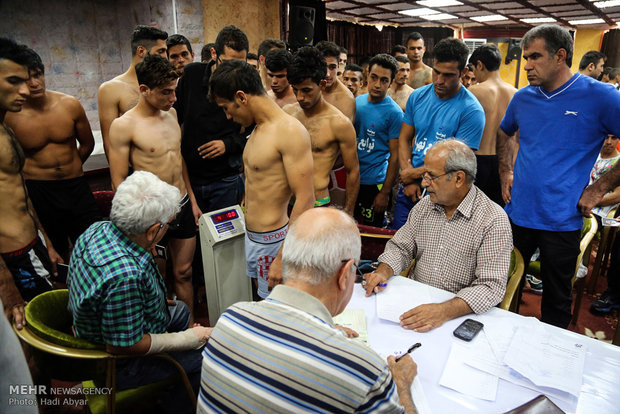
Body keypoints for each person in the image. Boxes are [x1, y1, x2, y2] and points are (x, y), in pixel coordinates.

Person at [197, 207, 418, 414]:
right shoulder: (364, 371)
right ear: (343, 276)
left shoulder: (229, 320)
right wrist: (401, 386)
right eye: (355, 270)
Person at [497, 24, 620, 328]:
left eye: (535, 57)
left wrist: (598, 189)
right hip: (518, 213)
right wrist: (505, 171)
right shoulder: (523, 98)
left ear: (560, 56)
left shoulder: (601, 97)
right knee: (499, 288)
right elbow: (505, 133)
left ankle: (550, 367)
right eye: (526, 57)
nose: (527, 65)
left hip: (561, 220)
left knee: (555, 302)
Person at [67, 171, 212, 413]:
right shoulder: (126, 276)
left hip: (105, 324)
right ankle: (175, 405)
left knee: (183, 310)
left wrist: (149, 299)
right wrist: (186, 340)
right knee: (207, 357)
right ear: (152, 231)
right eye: (168, 224)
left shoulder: (98, 228)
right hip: (117, 364)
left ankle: (175, 378)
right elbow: (123, 347)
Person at [365, 140, 512, 331]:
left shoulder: (492, 220)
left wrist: (443, 311)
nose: (424, 183)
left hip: (458, 316)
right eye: (424, 175)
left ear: (459, 179)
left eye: (431, 176)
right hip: (416, 304)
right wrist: (382, 271)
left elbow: (489, 287)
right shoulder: (426, 205)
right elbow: (400, 247)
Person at [209, 59, 315, 299]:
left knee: (279, 311)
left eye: (227, 107)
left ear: (241, 97)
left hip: (276, 243)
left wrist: (282, 256)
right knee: (262, 301)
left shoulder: (289, 131)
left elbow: (306, 199)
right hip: (255, 238)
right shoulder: (256, 129)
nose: (227, 116)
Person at [108, 55, 200, 323]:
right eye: (166, 92)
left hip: (181, 202)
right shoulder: (124, 126)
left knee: (184, 272)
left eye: (175, 90)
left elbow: (178, 158)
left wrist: (192, 200)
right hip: (151, 213)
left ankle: (190, 333)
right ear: (144, 90)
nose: (173, 98)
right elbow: (119, 182)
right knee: (155, 277)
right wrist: (136, 230)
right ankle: (160, 335)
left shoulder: (171, 114)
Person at [5, 47, 101, 259]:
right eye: (26, 78)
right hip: (40, 191)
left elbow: (87, 144)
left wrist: (71, 168)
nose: (34, 83)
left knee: (95, 245)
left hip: (76, 186)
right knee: (56, 254)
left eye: (38, 74)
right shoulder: (11, 116)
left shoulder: (69, 105)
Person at [0, 38, 61, 329]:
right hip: (9, 259)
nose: (25, 89)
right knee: (29, 342)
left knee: (46, 332)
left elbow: (20, 194)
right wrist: (7, 287)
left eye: (26, 80)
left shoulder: (4, 126)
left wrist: (45, 241)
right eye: (13, 81)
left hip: (29, 244)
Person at [392, 37, 485, 229]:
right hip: (411, 189)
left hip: (445, 196)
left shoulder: (471, 110)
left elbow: (459, 163)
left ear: (464, 72)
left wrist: (413, 174)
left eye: (449, 75)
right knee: (399, 245)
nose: (440, 80)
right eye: (436, 72)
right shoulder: (417, 97)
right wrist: (407, 178)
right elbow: (404, 138)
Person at [174, 25, 248, 214]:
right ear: (214, 54)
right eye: (229, 63)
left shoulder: (245, 83)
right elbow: (174, 118)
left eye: (240, 65)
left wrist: (228, 144)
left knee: (224, 240)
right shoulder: (191, 75)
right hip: (190, 178)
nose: (234, 71)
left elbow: (253, 132)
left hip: (225, 179)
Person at [284, 46, 360, 215]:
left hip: (318, 203)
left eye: (306, 90)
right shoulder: (288, 113)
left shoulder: (339, 123)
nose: (300, 97)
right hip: (287, 201)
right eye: (295, 90)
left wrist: (349, 211)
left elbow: (353, 170)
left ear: (322, 84)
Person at [98, 25, 168, 157]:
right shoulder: (111, 89)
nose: (165, 57)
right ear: (141, 51)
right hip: (134, 168)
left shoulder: (162, 87)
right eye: (160, 51)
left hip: (164, 164)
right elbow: (110, 144)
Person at [355, 54, 403, 227]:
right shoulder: (356, 103)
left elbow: (395, 157)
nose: (377, 84)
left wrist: (385, 193)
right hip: (352, 179)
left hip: (375, 183)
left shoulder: (395, 113)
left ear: (390, 83)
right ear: (367, 75)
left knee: (371, 233)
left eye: (384, 80)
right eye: (374, 77)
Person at [467, 43, 516, 206]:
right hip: (505, 163)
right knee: (498, 212)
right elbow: (519, 138)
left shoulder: (473, 92)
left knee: (473, 212)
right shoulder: (516, 94)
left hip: (478, 160)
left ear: (479, 65)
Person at [315, 40, 356, 122]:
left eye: (332, 67)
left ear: (338, 66)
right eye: (323, 67)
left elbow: (344, 133)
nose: (327, 74)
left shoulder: (346, 99)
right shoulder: (309, 88)